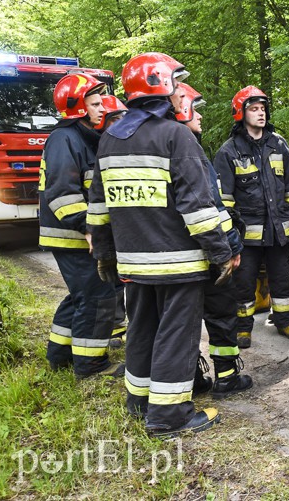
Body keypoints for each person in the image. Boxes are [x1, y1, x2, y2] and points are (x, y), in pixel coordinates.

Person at [87, 52, 234, 438]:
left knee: (142, 328)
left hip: (133, 263)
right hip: (178, 262)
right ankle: (169, 416)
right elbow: (197, 207)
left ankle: (139, 401)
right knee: (176, 333)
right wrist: (220, 253)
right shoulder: (175, 135)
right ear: (162, 85)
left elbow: (98, 209)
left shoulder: (110, 140)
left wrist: (104, 252)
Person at [40, 73, 123, 379]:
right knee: (96, 296)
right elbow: (62, 194)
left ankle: (60, 355)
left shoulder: (85, 138)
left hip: (76, 235)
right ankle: (90, 366)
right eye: (96, 103)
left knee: (80, 295)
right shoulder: (65, 139)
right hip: (72, 236)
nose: (103, 108)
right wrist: (89, 228)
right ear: (77, 106)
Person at [173, 82, 253, 399]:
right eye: (196, 108)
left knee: (182, 321)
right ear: (181, 110)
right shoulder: (191, 152)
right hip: (206, 255)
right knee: (221, 315)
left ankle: (191, 377)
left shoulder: (161, 148)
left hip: (178, 259)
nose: (201, 116)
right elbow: (213, 210)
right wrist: (231, 248)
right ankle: (227, 376)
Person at [214, 86, 289, 346]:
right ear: (241, 113)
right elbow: (225, 199)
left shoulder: (278, 144)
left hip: (277, 233)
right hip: (247, 236)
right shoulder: (229, 151)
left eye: (263, 108)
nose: (260, 113)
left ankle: (285, 322)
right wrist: (230, 235)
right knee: (243, 283)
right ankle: (243, 328)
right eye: (254, 109)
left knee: (282, 279)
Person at [94, 94, 129, 350]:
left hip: (122, 227)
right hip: (99, 230)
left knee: (119, 280)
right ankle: (113, 329)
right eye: (115, 119)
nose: (121, 124)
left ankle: (119, 325)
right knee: (106, 283)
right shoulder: (95, 150)